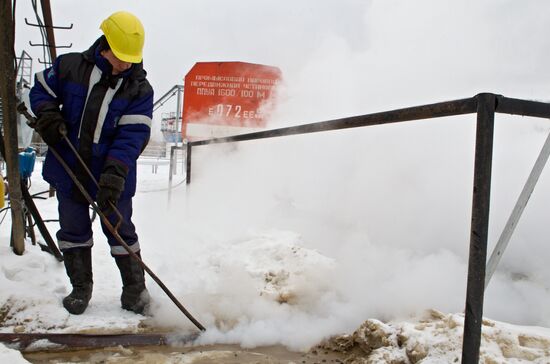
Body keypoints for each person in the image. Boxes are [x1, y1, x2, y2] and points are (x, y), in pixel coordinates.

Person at [29, 11, 153, 315]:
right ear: (105, 45)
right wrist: (47, 114)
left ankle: (135, 290)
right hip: (68, 166)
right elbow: (41, 91)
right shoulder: (69, 67)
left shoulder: (139, 89)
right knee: (74, 231)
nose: (126, 64)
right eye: (121, 57)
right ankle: (80, 288)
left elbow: (132, 135)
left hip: (113, 173)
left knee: (120, 230)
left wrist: (114, 174)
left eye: (130, 59)